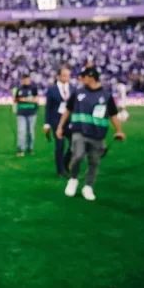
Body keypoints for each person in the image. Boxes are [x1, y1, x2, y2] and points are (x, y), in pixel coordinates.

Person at [57, 67, 126, 201]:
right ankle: (73, 179)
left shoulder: (106, 96)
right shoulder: (78, 93)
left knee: (94, 162)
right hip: (79, 132)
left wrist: (119, 131)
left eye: (84, 77)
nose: (81, 79)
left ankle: (88, 186)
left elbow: (113, 115)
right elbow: (68, 110)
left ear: (91, 78)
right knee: (77, 156)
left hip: (98, 135)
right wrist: (60, 127)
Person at [43, 67, 74, 178]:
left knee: (74, 144)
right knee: (59, 146)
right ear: (59, 76)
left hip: (70, 121)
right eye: (64, 75)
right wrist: (46, 124)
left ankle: (66, 162)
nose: (67, 78)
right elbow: (48, 108)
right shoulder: (52, 90)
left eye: (68, 75)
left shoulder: (73, 88)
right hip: (56, 121)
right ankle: (60, 170)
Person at [14, 74, 39, 157]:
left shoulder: (33, 89)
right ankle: (20, 149)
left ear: (29, 80)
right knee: (21, 131)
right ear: (22, 80)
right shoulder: (19, 89)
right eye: (24, 79)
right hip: (21, 113)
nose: (25, 81)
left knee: (31, 132)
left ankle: (30, 148)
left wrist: (24, 99)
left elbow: (36, 100)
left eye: (27, 79)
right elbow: (16, 100)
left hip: (31, 113)